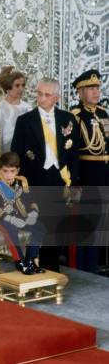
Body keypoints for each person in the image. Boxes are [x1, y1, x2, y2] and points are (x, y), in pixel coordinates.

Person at [11, 77, 80, 271]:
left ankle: (51, 268)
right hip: (34, 180)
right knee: (36, 225)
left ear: (56, 97)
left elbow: (74, 154)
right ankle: (30, 266)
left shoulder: (68, 119)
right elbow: (16, 155)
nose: (41, 98)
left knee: (56, 225)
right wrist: (18, 185)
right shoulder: (25, 121)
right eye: (39, 93)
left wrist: (74, 182)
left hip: (60, 180)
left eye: (47, 95)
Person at [70, 69, 109, 273]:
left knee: (101, 221)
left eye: (97, 88)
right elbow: (73, 151)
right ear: (80, 91)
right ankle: (83, 268)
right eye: (91, 88)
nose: (96, 92)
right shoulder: (76, 115)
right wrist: (75, 181)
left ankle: (95, 265)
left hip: (104, 173)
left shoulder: (103, 113)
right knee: (87, 223)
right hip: (87, 173)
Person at [0, 152, 46, 274]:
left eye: (12, 171)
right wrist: (10, 219)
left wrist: (33, 213)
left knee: (40, 227)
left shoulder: (22, 182)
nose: (8, 175)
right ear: (0, 169)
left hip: (20, 217)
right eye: (5, 171)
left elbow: (31, 201)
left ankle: (31, 260)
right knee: (11, 229)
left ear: (17, 170)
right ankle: (20, 262)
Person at [0, 66, 32, 153]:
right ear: (7, 87)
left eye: (23, 85)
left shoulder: (28, 108)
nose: (21, 89)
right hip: (7, 159)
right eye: (17, 85)